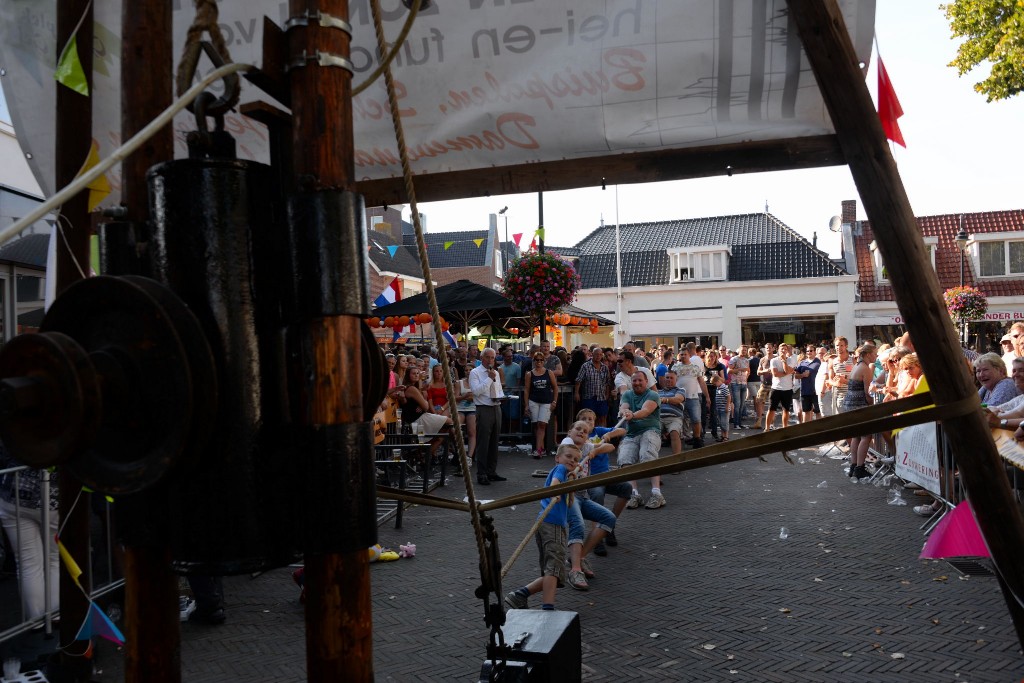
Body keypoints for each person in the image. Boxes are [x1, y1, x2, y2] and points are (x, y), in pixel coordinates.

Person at [504, 443, 580, 610]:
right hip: (553, 525)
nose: (572, 461)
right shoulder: (559, 469)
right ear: (557, 458)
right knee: (553, 568)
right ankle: (548, 608)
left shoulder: (565, 475)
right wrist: (555, 491)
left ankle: (520, 595)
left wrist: (572, 483)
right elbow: (554, 483)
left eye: (575, 459)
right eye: (568, 456)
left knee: (553, 571)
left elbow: (570, 503)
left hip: (547, 524)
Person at [0, 442, 59, 622]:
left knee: (27, 562)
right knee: (54, 559)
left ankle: (35, 620)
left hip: (14, 494)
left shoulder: (16, 421)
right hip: (53, 498)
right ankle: (55, 615)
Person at [562, 422, 618, 590]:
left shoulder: (586, 447)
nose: (581, 432)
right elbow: (569, 451)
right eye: (578, 429)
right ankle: (575, 571)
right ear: (569, 431)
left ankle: (578, 558)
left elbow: (610, 446)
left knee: (608, 518)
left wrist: (595, 450)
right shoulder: (566, 444)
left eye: (585, 431)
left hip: (582, 496)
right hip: (568, 496)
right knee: (578, 525)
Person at [575, 408, 628, 557]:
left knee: (626, 489)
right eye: (584, 419)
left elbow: (622, 431)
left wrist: (610, 434)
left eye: (590, 419)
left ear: (594, 421)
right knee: (597, 495)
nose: (587, 422)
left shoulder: (598, 431)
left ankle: (608, 527)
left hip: (605, 475)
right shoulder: (578, 435)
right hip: (591, 478)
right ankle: (597, 538)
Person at [618, 371, 666, 509]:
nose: (637, 383)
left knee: (647, 455)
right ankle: (634, 494)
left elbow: (645, 411)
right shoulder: (627, 394)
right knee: (624, 459)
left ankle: (657, 494)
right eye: (634, 381)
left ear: (646, 382)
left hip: (650, 430)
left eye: (640, 380)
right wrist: (624, 412)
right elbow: (623, 407)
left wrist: (632, 415)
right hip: (632, 433)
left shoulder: (653, 395)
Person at [471, 348, 506, 485]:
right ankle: (481, 473)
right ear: (482, 358)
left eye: (493, 357)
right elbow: (476, 391)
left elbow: (499, 390)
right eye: (488, 357)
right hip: (483, 408)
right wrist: (489, 379)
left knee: (494, 442)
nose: (491, 360)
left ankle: (492, 471)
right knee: (483, 442)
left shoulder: (496, 372)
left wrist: (503, 398)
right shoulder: (475, 373)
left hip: (496, 407)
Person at [842, 343, 877, 480]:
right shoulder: (865, 368)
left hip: (850, 404)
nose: (876, 356)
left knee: (856, 436)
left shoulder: (857, 366)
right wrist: (872, 405)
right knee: (866, 437)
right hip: (859, 406)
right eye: (874, 353)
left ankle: (854, 466)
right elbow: (867, 393)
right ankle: (860, 468)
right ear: (868, 354)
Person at [671, 346, 709, 448]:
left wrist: (707, 397)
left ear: (689, 355)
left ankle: (697, 439)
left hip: (693, 398)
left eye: (685, 354)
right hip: (679, 398)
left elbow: (702, 382)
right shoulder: (675, 367)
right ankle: (679, 439)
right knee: (678, 419)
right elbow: (671, 382)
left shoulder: (695, 368)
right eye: (681, 354)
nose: (683, 356)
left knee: (696, 419)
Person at [524, 352, 558, 459]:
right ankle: (541, 448)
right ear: (534, 361)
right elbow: (526, 390)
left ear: (544, 361)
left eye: (541, 360)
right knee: (536, 425)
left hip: (546, 401)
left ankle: (538, 450)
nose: (539, 362)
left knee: (542, 424)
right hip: (533, 401)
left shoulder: (549, 373)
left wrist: (554, 401)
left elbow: (555, 388)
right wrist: (526, 405)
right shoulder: (530, 374)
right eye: (537, 360)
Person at [764, 343, 798, 432]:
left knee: (786, 410)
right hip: (776, 388)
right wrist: (787, 373)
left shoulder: (790, 360)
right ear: (778, 350)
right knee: (771, 409)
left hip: (787, 388)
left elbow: (787, 370)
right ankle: (767, 428)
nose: (783, 351)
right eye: (781, 349)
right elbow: (775, 374)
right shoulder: (774, 360)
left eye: (785, 349)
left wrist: (784, 361)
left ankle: (784, 428)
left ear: (787, 351)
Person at [574, 347, 610, 427]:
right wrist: (577, 393)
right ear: (592, 354)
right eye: (596, 354)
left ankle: (601, 436)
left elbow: (608, 383)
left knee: (602, 418)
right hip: (589, 397)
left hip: (601, 398)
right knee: (588, 419)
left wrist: (607, 394)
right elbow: (578, 380)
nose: (598, 356)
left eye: (600, 355)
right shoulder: (585, 366)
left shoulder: (605, 368)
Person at [657, 370, 688, 454]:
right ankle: (652, 459)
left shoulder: (680, 390)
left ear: (676, 380)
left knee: (674, 432)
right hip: (658, 418)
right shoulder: (658, 392)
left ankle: (676, 458)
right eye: (667, 377)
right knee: (652, 434)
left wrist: (665, 400)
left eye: (671, 378)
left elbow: (678, 399)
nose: (669, 379)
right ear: (664, 379)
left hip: (674, 418)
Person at [795, 346, 825, 423]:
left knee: (818, 412)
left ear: (815, 352)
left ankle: (819, 431)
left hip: (816, 391)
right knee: (806, 412)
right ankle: (807, 431)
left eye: (811, 351)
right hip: (805, 391)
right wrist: (802, 375)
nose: (809, 352)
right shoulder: (802, 363)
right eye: (807, 351)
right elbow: (795, 375)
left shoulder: (819, 362)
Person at [727, 345, 749, 429]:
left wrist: (746, 378)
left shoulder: (746, 360)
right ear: (739, 350)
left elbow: (748, 370)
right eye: (742, 350)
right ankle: (736, 424)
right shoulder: (734, 359)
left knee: (742, 405)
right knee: (737, 404)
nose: (744, 351)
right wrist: (740, 370)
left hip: (744, 383)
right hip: (735, 383)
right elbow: (729, 371)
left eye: (745, 350)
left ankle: (739, 423)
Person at [710, 375, 732, 441]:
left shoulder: (724, 388)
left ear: (718, 381)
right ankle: (722, 435)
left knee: (724, 423)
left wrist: (727, 406)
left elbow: (728, 397)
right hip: (719, 408)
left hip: (724, 408)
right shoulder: (718, 388)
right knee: (721, 423)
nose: (715, 385)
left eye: (715, 383)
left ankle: (726, 436)